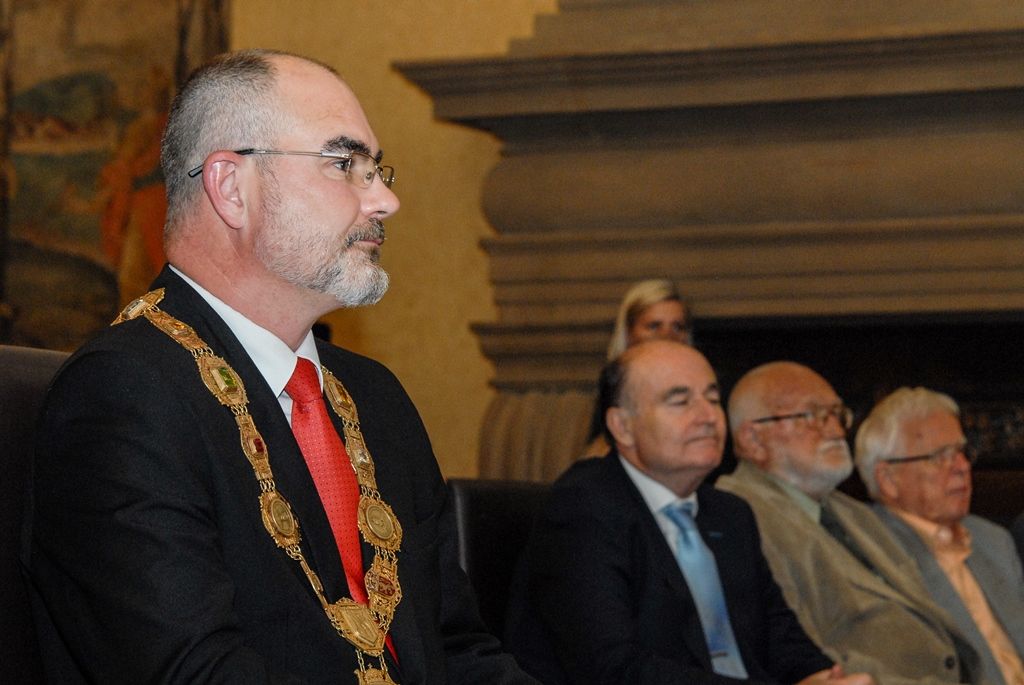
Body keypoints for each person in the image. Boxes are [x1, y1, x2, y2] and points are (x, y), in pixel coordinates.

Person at [21, 49, 538, 685]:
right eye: (344, 164)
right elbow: (194, 672)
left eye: (377, 170)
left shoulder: (375, 396)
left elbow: (456, 650)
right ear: (231, 188)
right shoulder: (124, 393)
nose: (385, 201)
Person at [505, 340, 873, 685]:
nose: (708, 416)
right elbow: (613, 667)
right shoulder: (584, 507)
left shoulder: (730, 513)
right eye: (680, 402)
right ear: (623, 426)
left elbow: (782, 639)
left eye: (713, 399)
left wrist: (825, 677)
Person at [719, 362, 981, 684]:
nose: (835, 430)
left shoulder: (851, 511)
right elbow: (803, 655)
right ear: (753, 439)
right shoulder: (737, 517)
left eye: (837, 413)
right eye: (812, 416)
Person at [856, 387, 1024, 685]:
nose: (962, 467)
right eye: (939, 457)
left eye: (961, 452)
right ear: (888, 479)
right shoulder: (871, 554)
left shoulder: (992, 540)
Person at [584, 278, 692, 455]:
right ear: (628, 333)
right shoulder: (614, 383)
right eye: (654, 326)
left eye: (678, 327)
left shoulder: (702, 387)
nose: (667, 336)